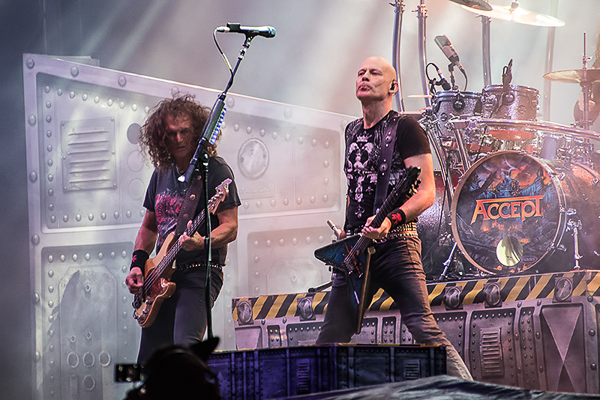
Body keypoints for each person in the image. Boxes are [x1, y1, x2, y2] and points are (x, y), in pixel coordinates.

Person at [315, 56, 472, 380]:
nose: (365, 77)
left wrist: (391, 219)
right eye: (360, 72)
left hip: (397, 246)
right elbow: (355, 187)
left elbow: (426, 192)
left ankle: (470, 393)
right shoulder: (351, 130)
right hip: (356, 251)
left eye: (374, 73)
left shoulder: (406, 128)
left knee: (423, 327)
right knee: (330, 338)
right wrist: (347, 228)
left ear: (392, 86)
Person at [125, 94, 241, 364]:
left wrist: (201, 242)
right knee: (148, 363)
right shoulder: (161, 171)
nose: (178, 139)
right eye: (171, 133)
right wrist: (137, 265)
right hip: (159, 276)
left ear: (198, 131)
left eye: (185, 131)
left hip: (198, 272)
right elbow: (149, 227)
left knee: (185, 351)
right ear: (160, 136)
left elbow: (231, 227)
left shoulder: (215, 170)